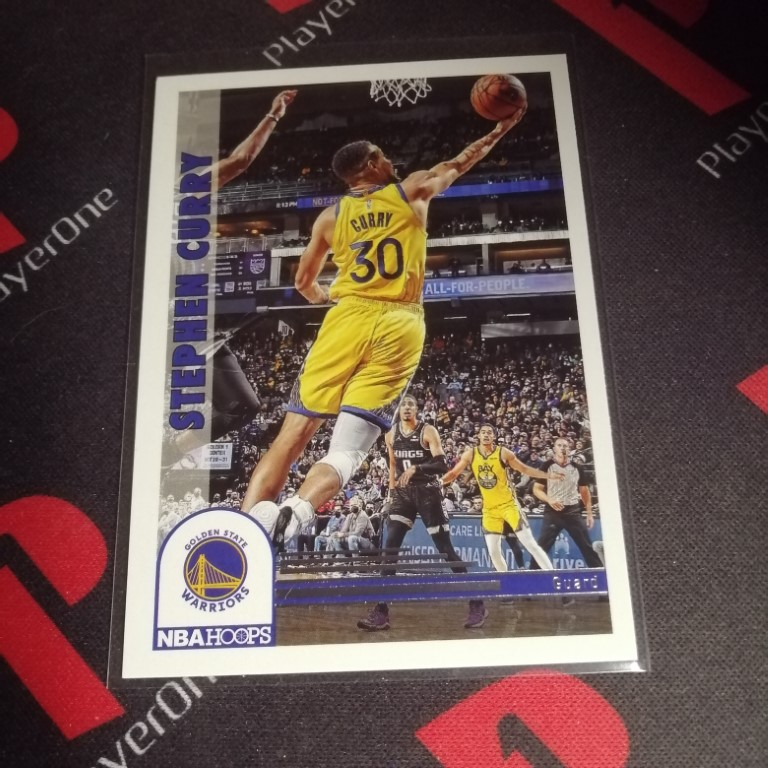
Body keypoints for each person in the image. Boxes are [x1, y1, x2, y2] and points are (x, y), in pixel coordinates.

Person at [242, 110, 526, 544]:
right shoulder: (410, 191)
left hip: (347, 318)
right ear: (373, 163)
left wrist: (324, 297)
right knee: (347, 451)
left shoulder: (330, 217)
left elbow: (302, 283)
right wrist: (499, 128)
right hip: (400, 322)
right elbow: (459, 163)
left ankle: (243, 533)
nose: (391, 160)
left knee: (291, 435)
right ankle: (297, 511)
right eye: (384, 156)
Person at [164, 89, 297, 466]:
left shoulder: (183, 190)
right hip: (154, 322)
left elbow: (241, 161)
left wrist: (273, 115)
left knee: (243, 406)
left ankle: (165, 455)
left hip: (189, 320)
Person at [356, 395, 486, 631]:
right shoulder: (390, 434)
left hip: (428, 492)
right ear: (398, 410)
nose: (407, 408)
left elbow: (441, 465)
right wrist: (391, 494)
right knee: (389, 549)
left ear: (416, 410)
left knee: (445, 550)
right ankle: (381, 611)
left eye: (411, 405)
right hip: (403, 494)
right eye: (403, 405)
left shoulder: (428, 431)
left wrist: (417, 467)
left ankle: (476, 602)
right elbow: (393, 465)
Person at [442, 424, 556, 574]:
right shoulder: (471, 454)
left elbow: (524, 469)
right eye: (483, 432)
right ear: (479, 436)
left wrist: (547, 476)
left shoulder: (503, 453)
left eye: (489, 432)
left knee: (529, 544)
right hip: (490, 509)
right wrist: (439, 482)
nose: (486, 435)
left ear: (494, 436)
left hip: (509, 505)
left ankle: (553, 576)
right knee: (493, 551)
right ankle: (505, 581)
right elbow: (453, 474)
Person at [530, 437, 603, 569]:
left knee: (587, 546)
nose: (562, 448)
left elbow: (585, 492)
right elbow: (537, 489)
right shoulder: (546, 466)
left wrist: (589, 513)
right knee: (542, 546)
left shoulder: (577, 468)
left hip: (572, 511)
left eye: (565, 446)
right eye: (559, 445)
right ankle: (532, 575)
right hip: (553, 512)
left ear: (569, 449)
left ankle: (599, 573)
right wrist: (549, 499)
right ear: (554, 449)